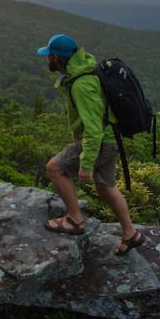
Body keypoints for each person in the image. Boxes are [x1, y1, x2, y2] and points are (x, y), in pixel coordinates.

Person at [37, 33, 145, 256]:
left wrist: (86, 163)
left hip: (100, 142)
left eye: (48, 56)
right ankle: (131, 234)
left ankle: (75, 221)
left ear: (57, 58)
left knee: (54, 168)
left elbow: (94, 129)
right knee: (105, 188)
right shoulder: (84, 70)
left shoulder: (81, 85)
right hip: (111, 140)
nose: (46, 59)